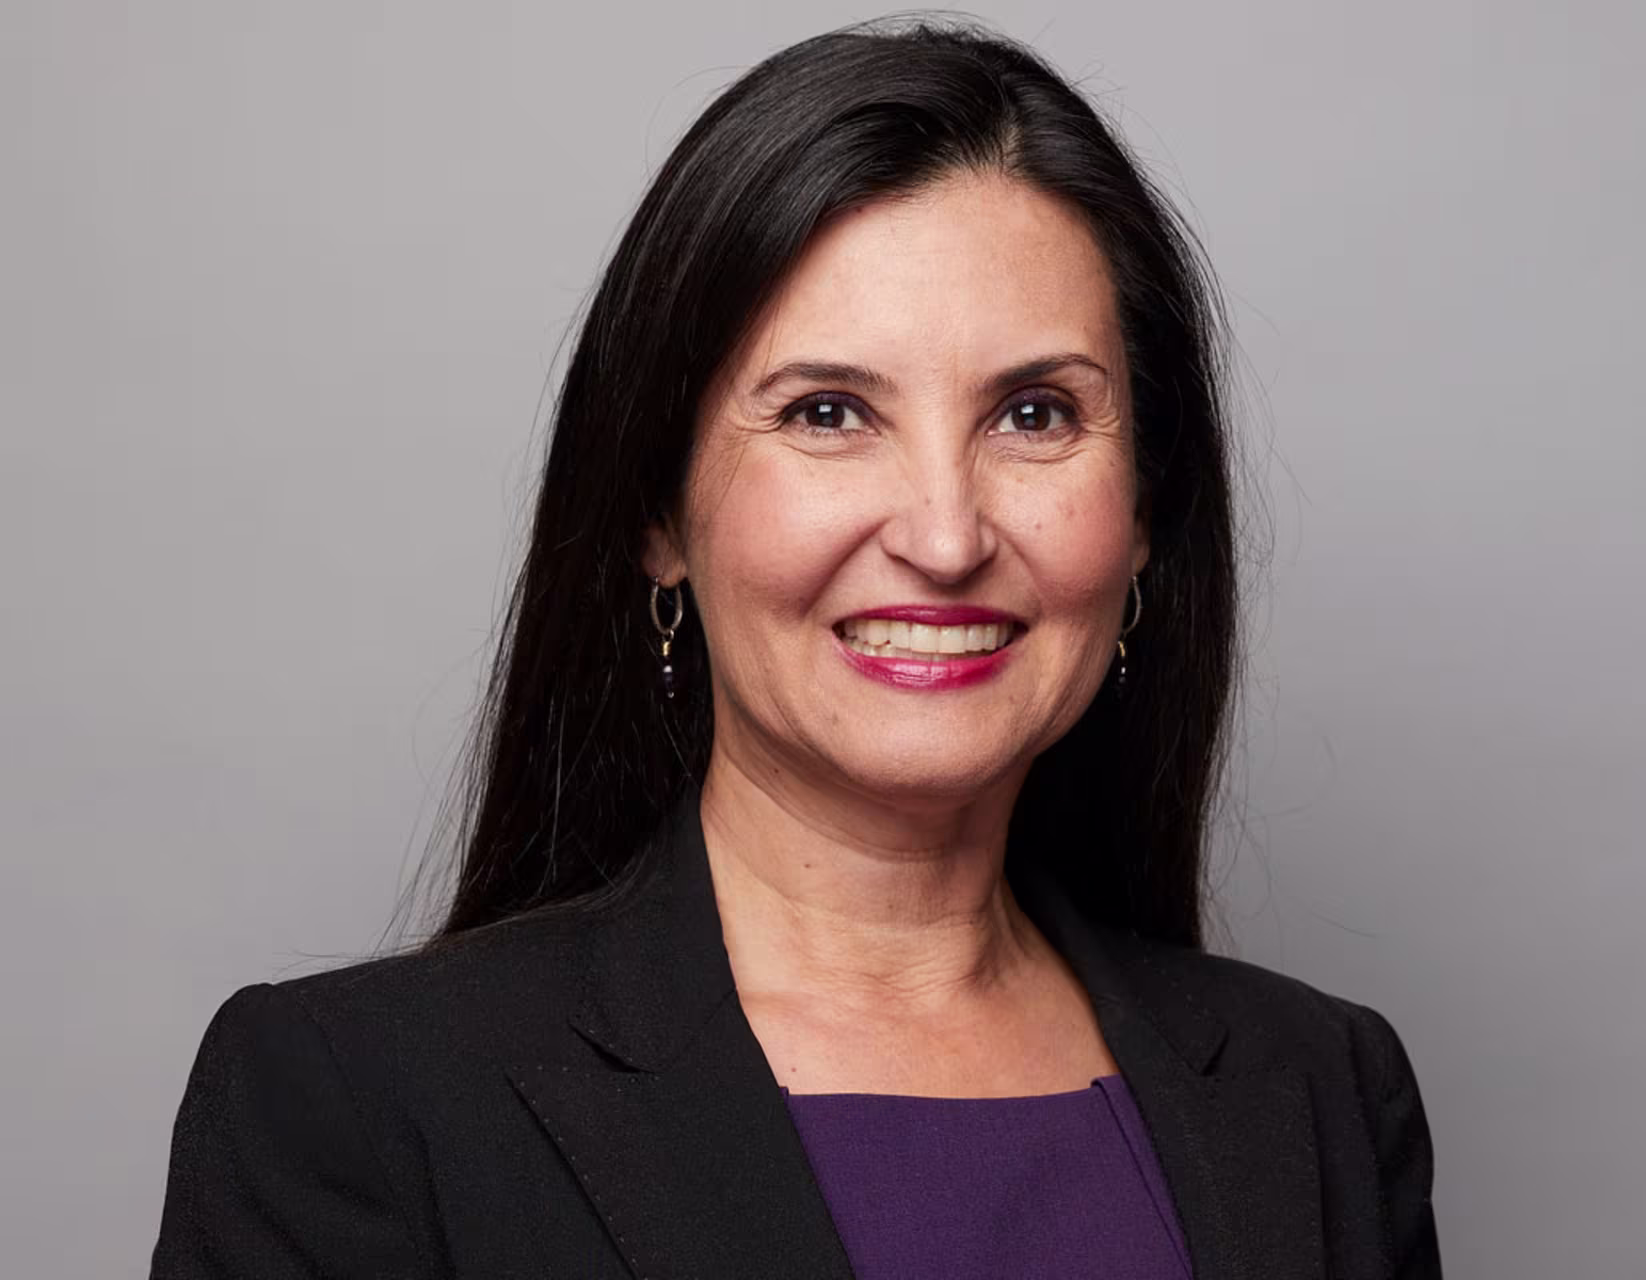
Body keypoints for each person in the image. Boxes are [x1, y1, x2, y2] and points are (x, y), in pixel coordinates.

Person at [151, 17, 1441, 1279]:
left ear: (1148, 512)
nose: (944, 535)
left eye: (1035, 413)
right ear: (658, 515)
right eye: (829, 412)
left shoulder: (1322, 1093)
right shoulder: (359, 1104)